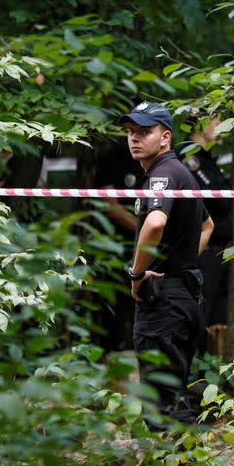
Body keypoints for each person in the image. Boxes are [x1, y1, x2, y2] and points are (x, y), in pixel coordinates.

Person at [119, 101, 214, 428]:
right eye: (131, 132)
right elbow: (207, 227)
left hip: (164, 305)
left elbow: (155, 223)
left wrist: (136, 274)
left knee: (165, 411)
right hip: (181, 297)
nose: (134, 138)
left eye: (144, 132)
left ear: (165, 137)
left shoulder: (163, 175)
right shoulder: (180, 173)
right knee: (170, 401)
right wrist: (180, 262)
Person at [182, 116, 233, 354]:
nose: (223, 127)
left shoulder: (209, 158)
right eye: (217, 120)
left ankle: (209, 374)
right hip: (203, 252)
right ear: (201, 123)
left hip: (220, 252)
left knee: (218, 318)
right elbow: (219, 201)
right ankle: (191, 373)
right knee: (199, 314)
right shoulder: (189, 157)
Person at [92, 139, 142, 352]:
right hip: (119, 248)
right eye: (131, 130)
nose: (136, 136)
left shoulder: (160, 163)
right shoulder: (111, 159)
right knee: (119, 307)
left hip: (153, 247)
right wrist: (146, 231)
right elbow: (111, 208)